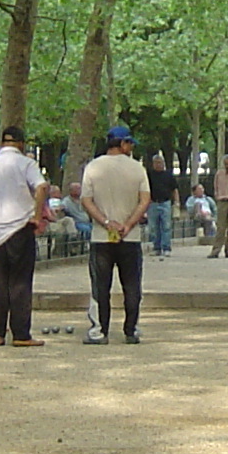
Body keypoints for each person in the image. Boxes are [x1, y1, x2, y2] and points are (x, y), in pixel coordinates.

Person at [0, 126, 50, 348]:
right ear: (21, 143)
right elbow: (42, 186)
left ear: (1, 143)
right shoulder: (26, 164)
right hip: (20, 227)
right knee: (20, 283)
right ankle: (20, 333)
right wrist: (37, 215)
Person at [80, 125, 150, 345]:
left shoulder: (93, 167)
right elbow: (145, 199)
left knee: (100, 285)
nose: (130, 147)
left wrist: (106, 222)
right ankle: (131, 329)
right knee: (131, 285)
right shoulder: (137, 168)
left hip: (102, 236)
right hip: (130, 236)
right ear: (122, 144)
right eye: (129, 143)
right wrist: (128, 224)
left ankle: (100, 330)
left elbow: (86, 200)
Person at [145, 152, 175, 258]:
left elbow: (174, 189)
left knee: (166, 226)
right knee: (153, 227)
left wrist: (177, 203)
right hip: (153, 203)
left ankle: (166, 248)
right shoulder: (149, 175)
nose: (158, 165)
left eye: (160, 162)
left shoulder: (168, 175)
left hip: (165, 202)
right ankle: (156, 247)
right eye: (156, 163)